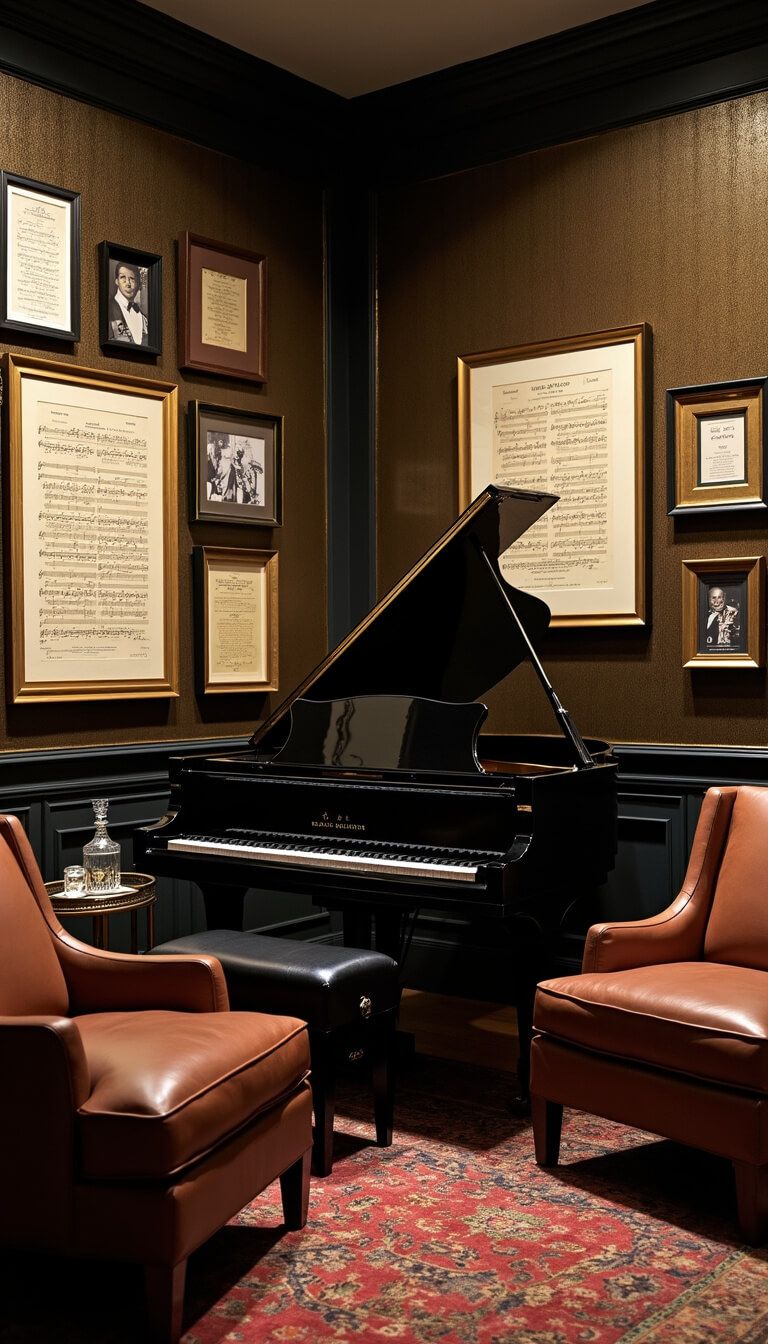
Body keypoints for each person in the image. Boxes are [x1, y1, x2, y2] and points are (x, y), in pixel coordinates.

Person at [108, 261, 148, 346]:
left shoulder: (144, 317)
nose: (128, 283)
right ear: (116, 281)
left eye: (132, 279)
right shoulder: (107, 308)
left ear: (137, 284)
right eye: (123, 277)